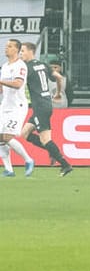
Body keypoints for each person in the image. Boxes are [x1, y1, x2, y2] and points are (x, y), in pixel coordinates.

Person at [18, 41, 71, 174]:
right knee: (24, 133)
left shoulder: (27, 68)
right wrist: (58, 93)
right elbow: (59, 77)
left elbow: (18, 84)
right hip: (45, 104)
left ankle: (65, 164)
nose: (21, 54)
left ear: (31, 51)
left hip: (40, 106)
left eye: (23, 51)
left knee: (45, 139)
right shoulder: (43, 65)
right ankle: (53, 151)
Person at [0, 39, 35, 177]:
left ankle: (28, 160)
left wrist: (1, 81)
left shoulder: (20, 66)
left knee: (7, 136)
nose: (6, 48)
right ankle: (9, 169)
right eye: (6, 46)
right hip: (5, 105)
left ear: (17, 49)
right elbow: (2, 89)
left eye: (9, 46)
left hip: (17, 106)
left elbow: (17, 84)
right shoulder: (4, 66)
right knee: (0, 137)